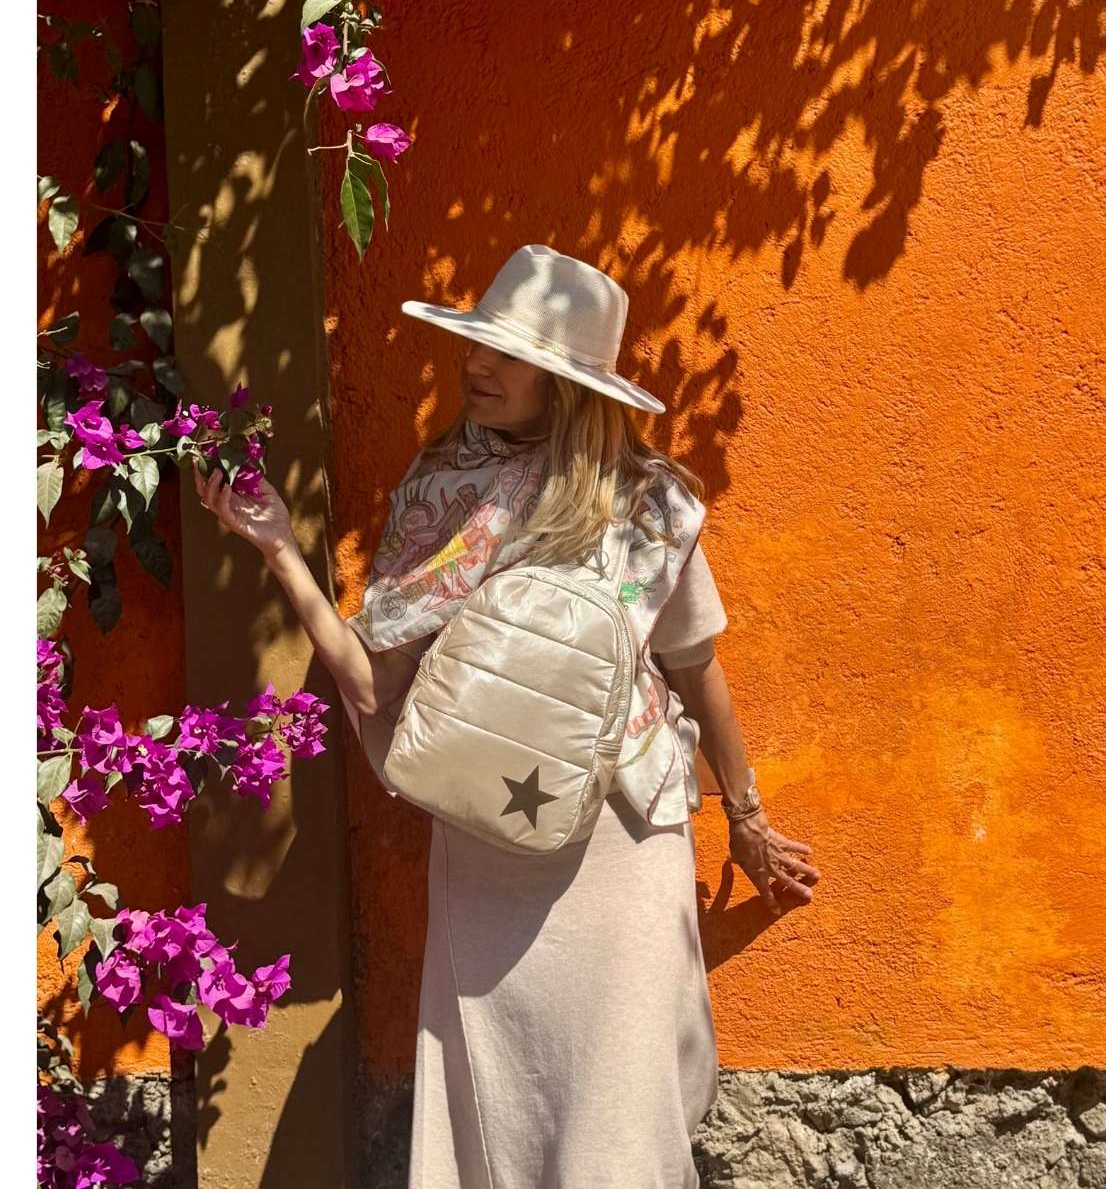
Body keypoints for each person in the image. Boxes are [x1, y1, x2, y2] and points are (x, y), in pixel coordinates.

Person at [193, 244, 820, 1188]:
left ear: (569, 387)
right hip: (492, 840)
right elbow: (370, 688)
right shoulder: (443, 490)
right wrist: (282, 551)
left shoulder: (649, 504)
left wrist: (748, 818)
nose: (476, 366)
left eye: (512, 355)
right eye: (480, 347)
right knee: (503, 1105)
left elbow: (697, 670)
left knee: (622, 1113)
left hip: (624, 843)